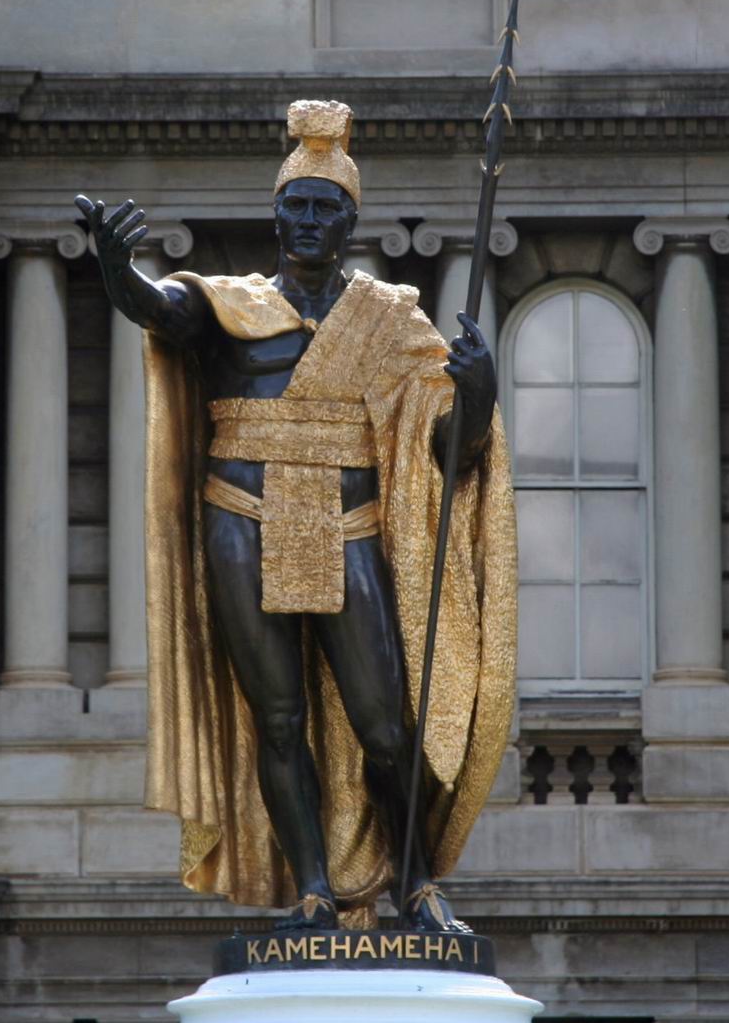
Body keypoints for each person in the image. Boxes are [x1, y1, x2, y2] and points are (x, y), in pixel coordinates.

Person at [74, 99, 516, 932]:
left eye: (325, 207)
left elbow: (448, 450)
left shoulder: (389, 319)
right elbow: (160, 308)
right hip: (242, 518)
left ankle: (416, 885)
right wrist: (114, 268)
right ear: (276, 217)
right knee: (277, 718)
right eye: (296, 205)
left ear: (349, 223)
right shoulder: (232, 304)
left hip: (349, 525)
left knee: (384, 725)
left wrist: (479, 393)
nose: (309, 220)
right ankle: (312, 889)